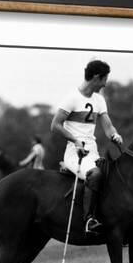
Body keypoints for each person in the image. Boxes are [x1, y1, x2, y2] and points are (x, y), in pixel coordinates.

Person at [50, 60, 123, 234]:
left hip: (92, 152)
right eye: (105, 79)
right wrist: (75, 140)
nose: (106, 83)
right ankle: (88, 220)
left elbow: (107, 126)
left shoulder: (99, 100)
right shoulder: (72, 98)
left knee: (115, 175)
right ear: (97, 77)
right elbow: (55, 125)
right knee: (96, 174)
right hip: (75, 153)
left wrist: (115, 135)